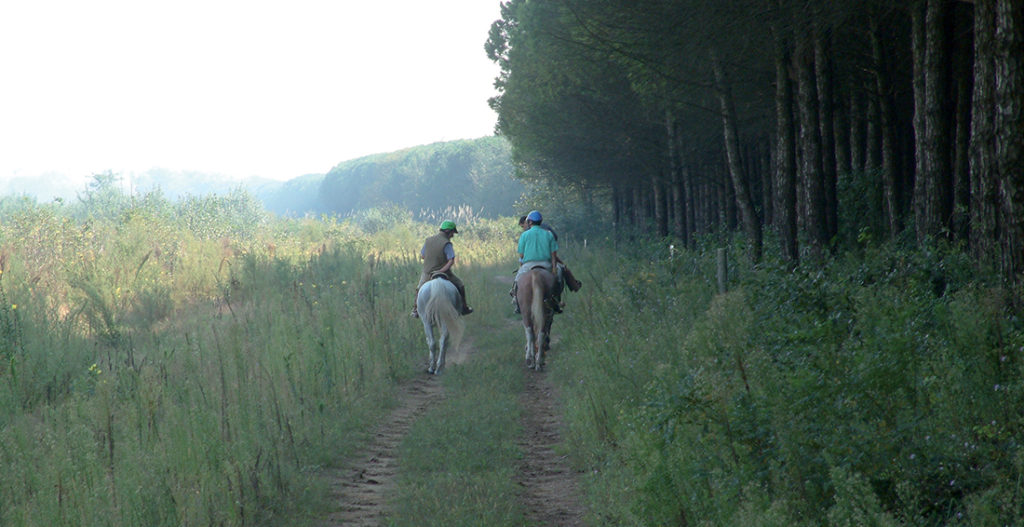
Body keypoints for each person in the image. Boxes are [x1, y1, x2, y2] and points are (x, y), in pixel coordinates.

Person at [511, 212, 582, 313]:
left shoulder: (525, 234)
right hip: (546, 263)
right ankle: (558, 299)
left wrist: (521, 265)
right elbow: (553, 254)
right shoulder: (548, 232)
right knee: (560, 274)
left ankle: (517, 301)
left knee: (518, 281)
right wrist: (553, 267)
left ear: (529, 222)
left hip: (528, 264)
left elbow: (521, 256)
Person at [412, 220, 472, 318]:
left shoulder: (428, 240)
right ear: (448, 231)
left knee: (419, 289)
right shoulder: (447, 243)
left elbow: (422, 256)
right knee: (460, 285)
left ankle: (416, 310)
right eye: (453, 232)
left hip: (427, 273)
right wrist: (441, 271)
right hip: (444, 273)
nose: (453, 235)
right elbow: (451, 261)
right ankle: (464, 308)